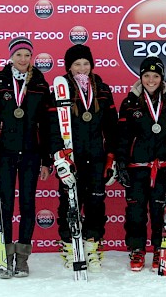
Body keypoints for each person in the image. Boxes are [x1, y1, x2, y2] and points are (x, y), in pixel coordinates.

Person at [0, 37, 51, 278]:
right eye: (19, 55)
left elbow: (49, 125)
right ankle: (5, 254)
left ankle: (22, 258)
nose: (23, 60)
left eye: (27, 55)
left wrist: (47, 160)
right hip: (4, 154)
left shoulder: (40, 84)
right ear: (11, 57)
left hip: (31, 153)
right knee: (5, 205)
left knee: (28, 204)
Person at [49, 44, 118, 273]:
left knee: (96, 204)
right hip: (71, 158)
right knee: (69, 203)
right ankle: (70, 246)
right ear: (69, 66)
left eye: (86, 63)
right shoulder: (60, 90)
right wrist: (59, 157)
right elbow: (51, 128)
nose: (82, 68)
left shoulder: (103, 89)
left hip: (96, 157)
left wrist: (111, 157)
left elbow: (111, 127)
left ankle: (91, 245)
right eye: (77, 64)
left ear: (91, 65)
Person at [116, 55, 166, 272]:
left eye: (155, 76)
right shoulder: (130, 102)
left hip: (162, 167)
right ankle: (137, 248)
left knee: (159, 211)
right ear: (140, 76)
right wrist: (120, 162)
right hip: (137, 168)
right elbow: (122, 136)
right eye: (146, 75)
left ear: (161, 77)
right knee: (136, 213)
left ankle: (159, 249)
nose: (150, 80)